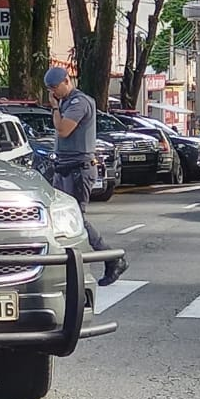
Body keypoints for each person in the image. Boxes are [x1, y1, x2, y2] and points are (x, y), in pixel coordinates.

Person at [45, 66, 128, 287]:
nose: (53, 93)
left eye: (55, 87)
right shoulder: (64, 102)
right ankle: (65, 264)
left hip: (78, 169)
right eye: (50, 89)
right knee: (59, 218)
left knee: (77, 219)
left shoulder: (78, 102)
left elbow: (63, 130)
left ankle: (113, 258)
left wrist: (55, 108)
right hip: (64, 166)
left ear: (66, 81)